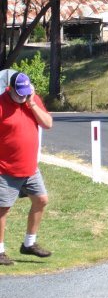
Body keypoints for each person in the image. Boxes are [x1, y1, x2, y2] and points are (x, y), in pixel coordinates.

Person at [0, 72, 54, 266]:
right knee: (2, 209)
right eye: (20, 93)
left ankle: (29, 244)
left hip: (30, 167)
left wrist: (31, 103)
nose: (22, 96)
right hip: (5, 169)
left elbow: (47, 124)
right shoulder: (1, 103)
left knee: (41, 200)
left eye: (26, 92)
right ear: (10, 89)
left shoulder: (32, 100)